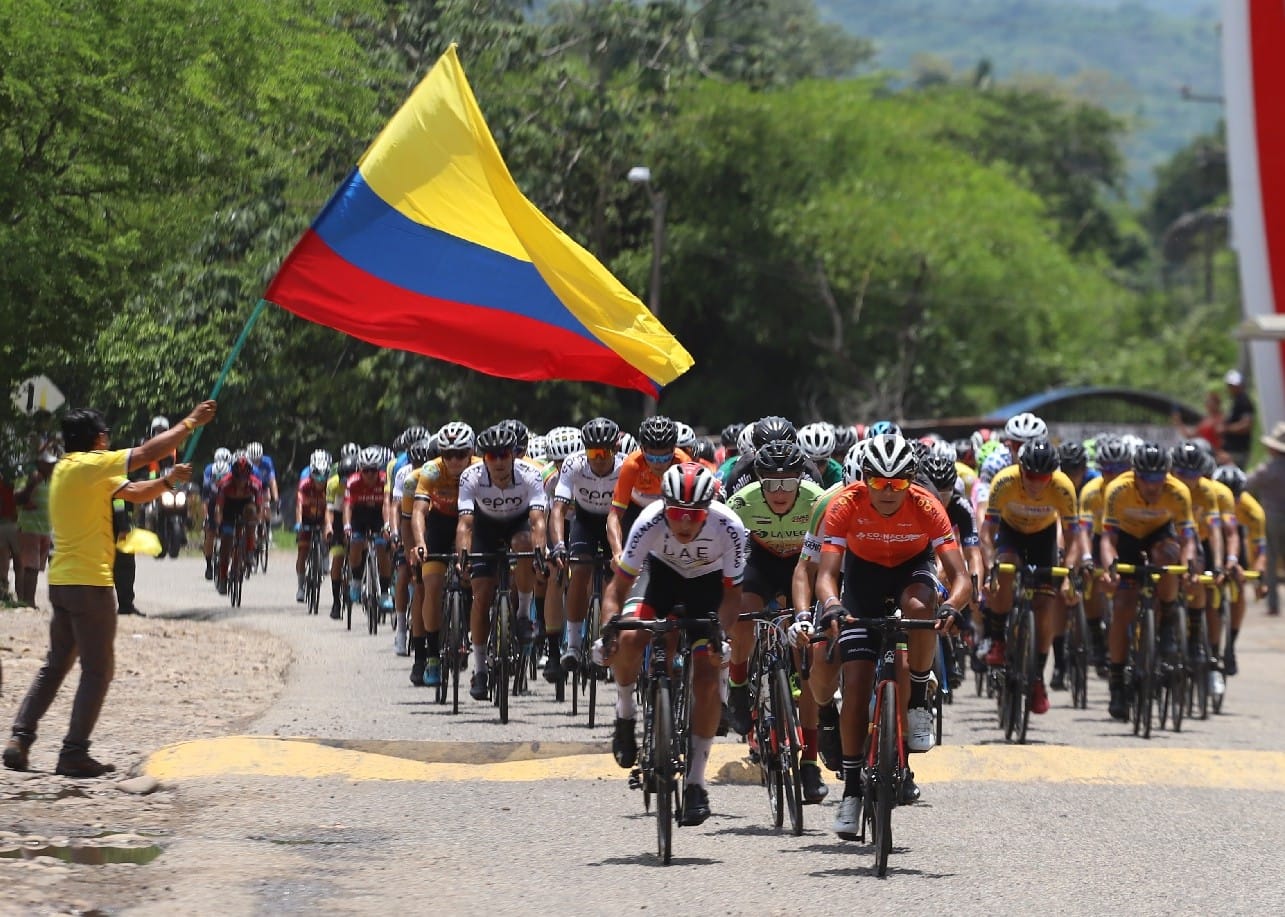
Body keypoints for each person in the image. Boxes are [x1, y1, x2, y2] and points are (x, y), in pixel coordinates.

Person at [3, 400, 216, 778]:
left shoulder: (70, 470)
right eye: (106, 436)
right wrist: (190, 423)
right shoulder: (92, 464)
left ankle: (20, 738)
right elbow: (149, 452)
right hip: (91, 584)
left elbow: (133, 493)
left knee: (56, 665)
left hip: (62, 582)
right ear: (97, 439)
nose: (108, 441)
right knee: (97, 669)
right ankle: (73, 752)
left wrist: (168, 482)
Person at [812, 433, 969, 837]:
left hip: (910, 571)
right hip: (862, 579)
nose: (887, 491)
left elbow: (961, 577)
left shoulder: (927, 506)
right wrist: (831, 605)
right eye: (877, 482)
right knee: (859, 678)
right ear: (863, 479)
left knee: (921, 609)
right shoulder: (845, 504)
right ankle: (850, 791)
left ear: (910, 481)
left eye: (897, 483)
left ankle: (918, 697)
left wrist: (953, 604)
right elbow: (827, 576)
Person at [599, 462, 747, 826]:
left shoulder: (729, 526)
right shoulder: (648, 520)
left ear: (708, 509)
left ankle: (696, 782)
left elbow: (732, 598)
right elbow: (617, 589)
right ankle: (625, 712)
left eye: (693, 515)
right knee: (630, 635)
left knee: (708, 676)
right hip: (659, 578)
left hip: (708, 587)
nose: (683, 522)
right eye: (676, 513)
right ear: (664, 506)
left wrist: (721, 635)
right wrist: (607, 631)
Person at [1247, 421, 1285, 616]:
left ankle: (1273, 604)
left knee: (1270, 560)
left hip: (1271, 518)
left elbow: (1247, 484)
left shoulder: (1267, 469)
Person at [13, 446, 59, 606]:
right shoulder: (28, 477)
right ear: (40, 463)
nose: (52, 466)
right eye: (48, 464)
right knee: (30, 567)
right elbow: (17, 499)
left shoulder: (52, 481)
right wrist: (31, 485)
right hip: (29, 528)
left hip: (46, 530)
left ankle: (26, 601)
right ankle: (28, 602)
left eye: (53, 463)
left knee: (35, 568)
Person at [1219, 370, 1255, 468]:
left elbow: (1246, 426)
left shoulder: (1244, 402)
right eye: (1230, 385)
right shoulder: (1235, 401)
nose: (1231, 388)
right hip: (1231, 450)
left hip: (1238, 451)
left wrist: (1226, 429)